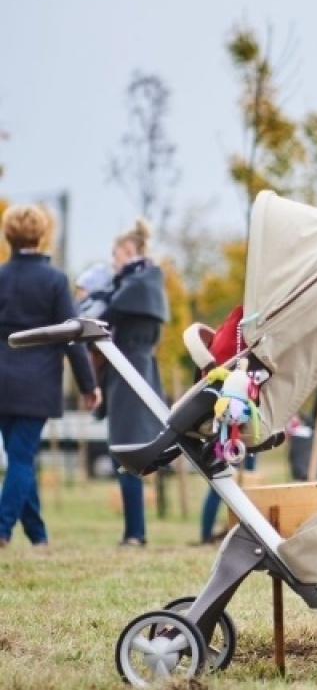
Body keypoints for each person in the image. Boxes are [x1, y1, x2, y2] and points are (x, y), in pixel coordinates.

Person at [0, 205, 99, 550]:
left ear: (8, 235)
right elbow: (72, 335)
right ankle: (2, 529)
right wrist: (89, 385)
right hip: (36, 384)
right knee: (23, 458)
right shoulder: (54, 281)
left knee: (18, 457)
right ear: (42, 236)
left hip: (2, 382)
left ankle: (38, 536)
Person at [100, 219, 170, 547]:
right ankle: (133, 531)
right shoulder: (139, 284)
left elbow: (111, 311)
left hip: (131, 371)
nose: (114, 263)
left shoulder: (140, 285)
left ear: (130, 251)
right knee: (124, 452)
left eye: (117, 256)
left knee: (127, 450)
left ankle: (135, 533)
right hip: (128, 369)